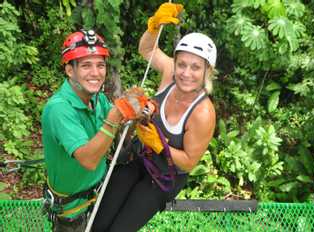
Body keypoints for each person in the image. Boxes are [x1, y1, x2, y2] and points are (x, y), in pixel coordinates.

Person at [92, 2, 217, 232]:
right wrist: (153, 26)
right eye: (182, 65)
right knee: (98, 221)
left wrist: (161, 146)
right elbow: (147, 50)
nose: (186, 73)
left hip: (163, 178)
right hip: (137, 158)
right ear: (175, 63)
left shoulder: (203, 113)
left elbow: (189, 161)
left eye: (195, 67)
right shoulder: (170, 74)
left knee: (119, 229)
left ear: (207, 71)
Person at [41, 29, 153, 232]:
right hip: (73, 212)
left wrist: (133, 118)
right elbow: (89, 159)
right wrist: (115, 117)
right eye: (86, 65)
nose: (95, 73)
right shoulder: (59, 109)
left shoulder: (97, 99)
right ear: (69, 70)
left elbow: (117, 143)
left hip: (100, 194)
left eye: (100, 65)